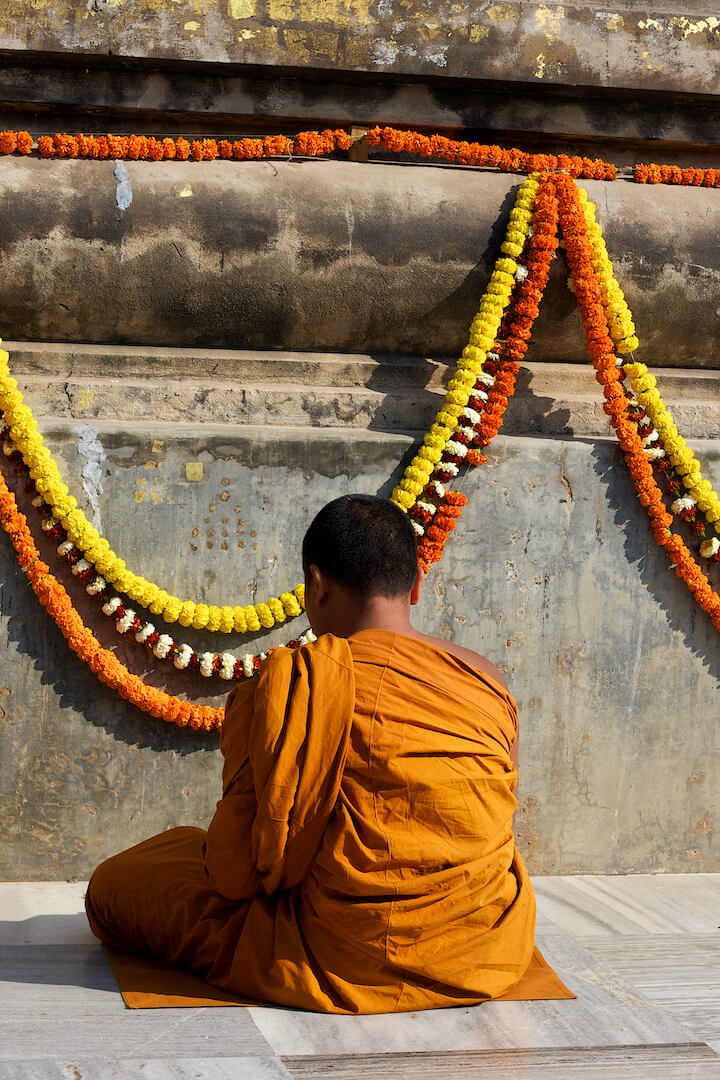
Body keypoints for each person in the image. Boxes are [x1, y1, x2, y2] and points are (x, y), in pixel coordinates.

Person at [86, 494, 535, 1014]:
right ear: (415, 586)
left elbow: (235, 876)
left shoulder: (289, 685)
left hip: (336, 954)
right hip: (482, 946)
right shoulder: (486, 680)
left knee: (114, 887)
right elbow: (500, 821)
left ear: (316, 586)